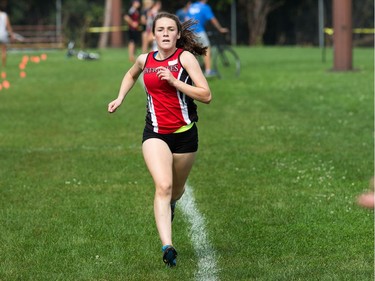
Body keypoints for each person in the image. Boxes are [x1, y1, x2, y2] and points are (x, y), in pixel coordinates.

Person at [108, 12, 212, 267]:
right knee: (163, 186)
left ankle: (172, 204)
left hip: (185, 136)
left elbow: (206, 94)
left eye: (170, 29)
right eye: (160, 30)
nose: (165, 34)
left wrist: (175, 82)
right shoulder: (145, 60)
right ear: (153, 34)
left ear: (177, 34)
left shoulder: (185, 58)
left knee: (176, 191)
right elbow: (131, 74)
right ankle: (168, 246)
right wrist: (121, 97)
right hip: (154, 134)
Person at [187, 0, 228, 77]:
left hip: (189, 32)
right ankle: (208, 71)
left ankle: (194, 72)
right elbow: (213, 20)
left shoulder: (192, 6)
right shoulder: (205, 7)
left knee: (193, 52)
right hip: (199, 31)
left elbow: (186, 18)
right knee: (206, 49)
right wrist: (220, 29)